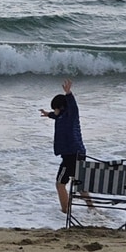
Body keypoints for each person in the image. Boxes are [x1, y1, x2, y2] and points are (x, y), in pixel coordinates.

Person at [40, 78, 93, 214]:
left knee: (60, 184)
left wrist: (68, 93)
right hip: (79, 154)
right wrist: (48, 114)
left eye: (54, 109)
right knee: (79, 183)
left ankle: (65, 210)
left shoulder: (71, 114)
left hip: (71, 155)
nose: (54, 111)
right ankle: (91, 208)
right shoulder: (64, 116)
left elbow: (72, 106)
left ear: (60, 107)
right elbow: (57, 116)